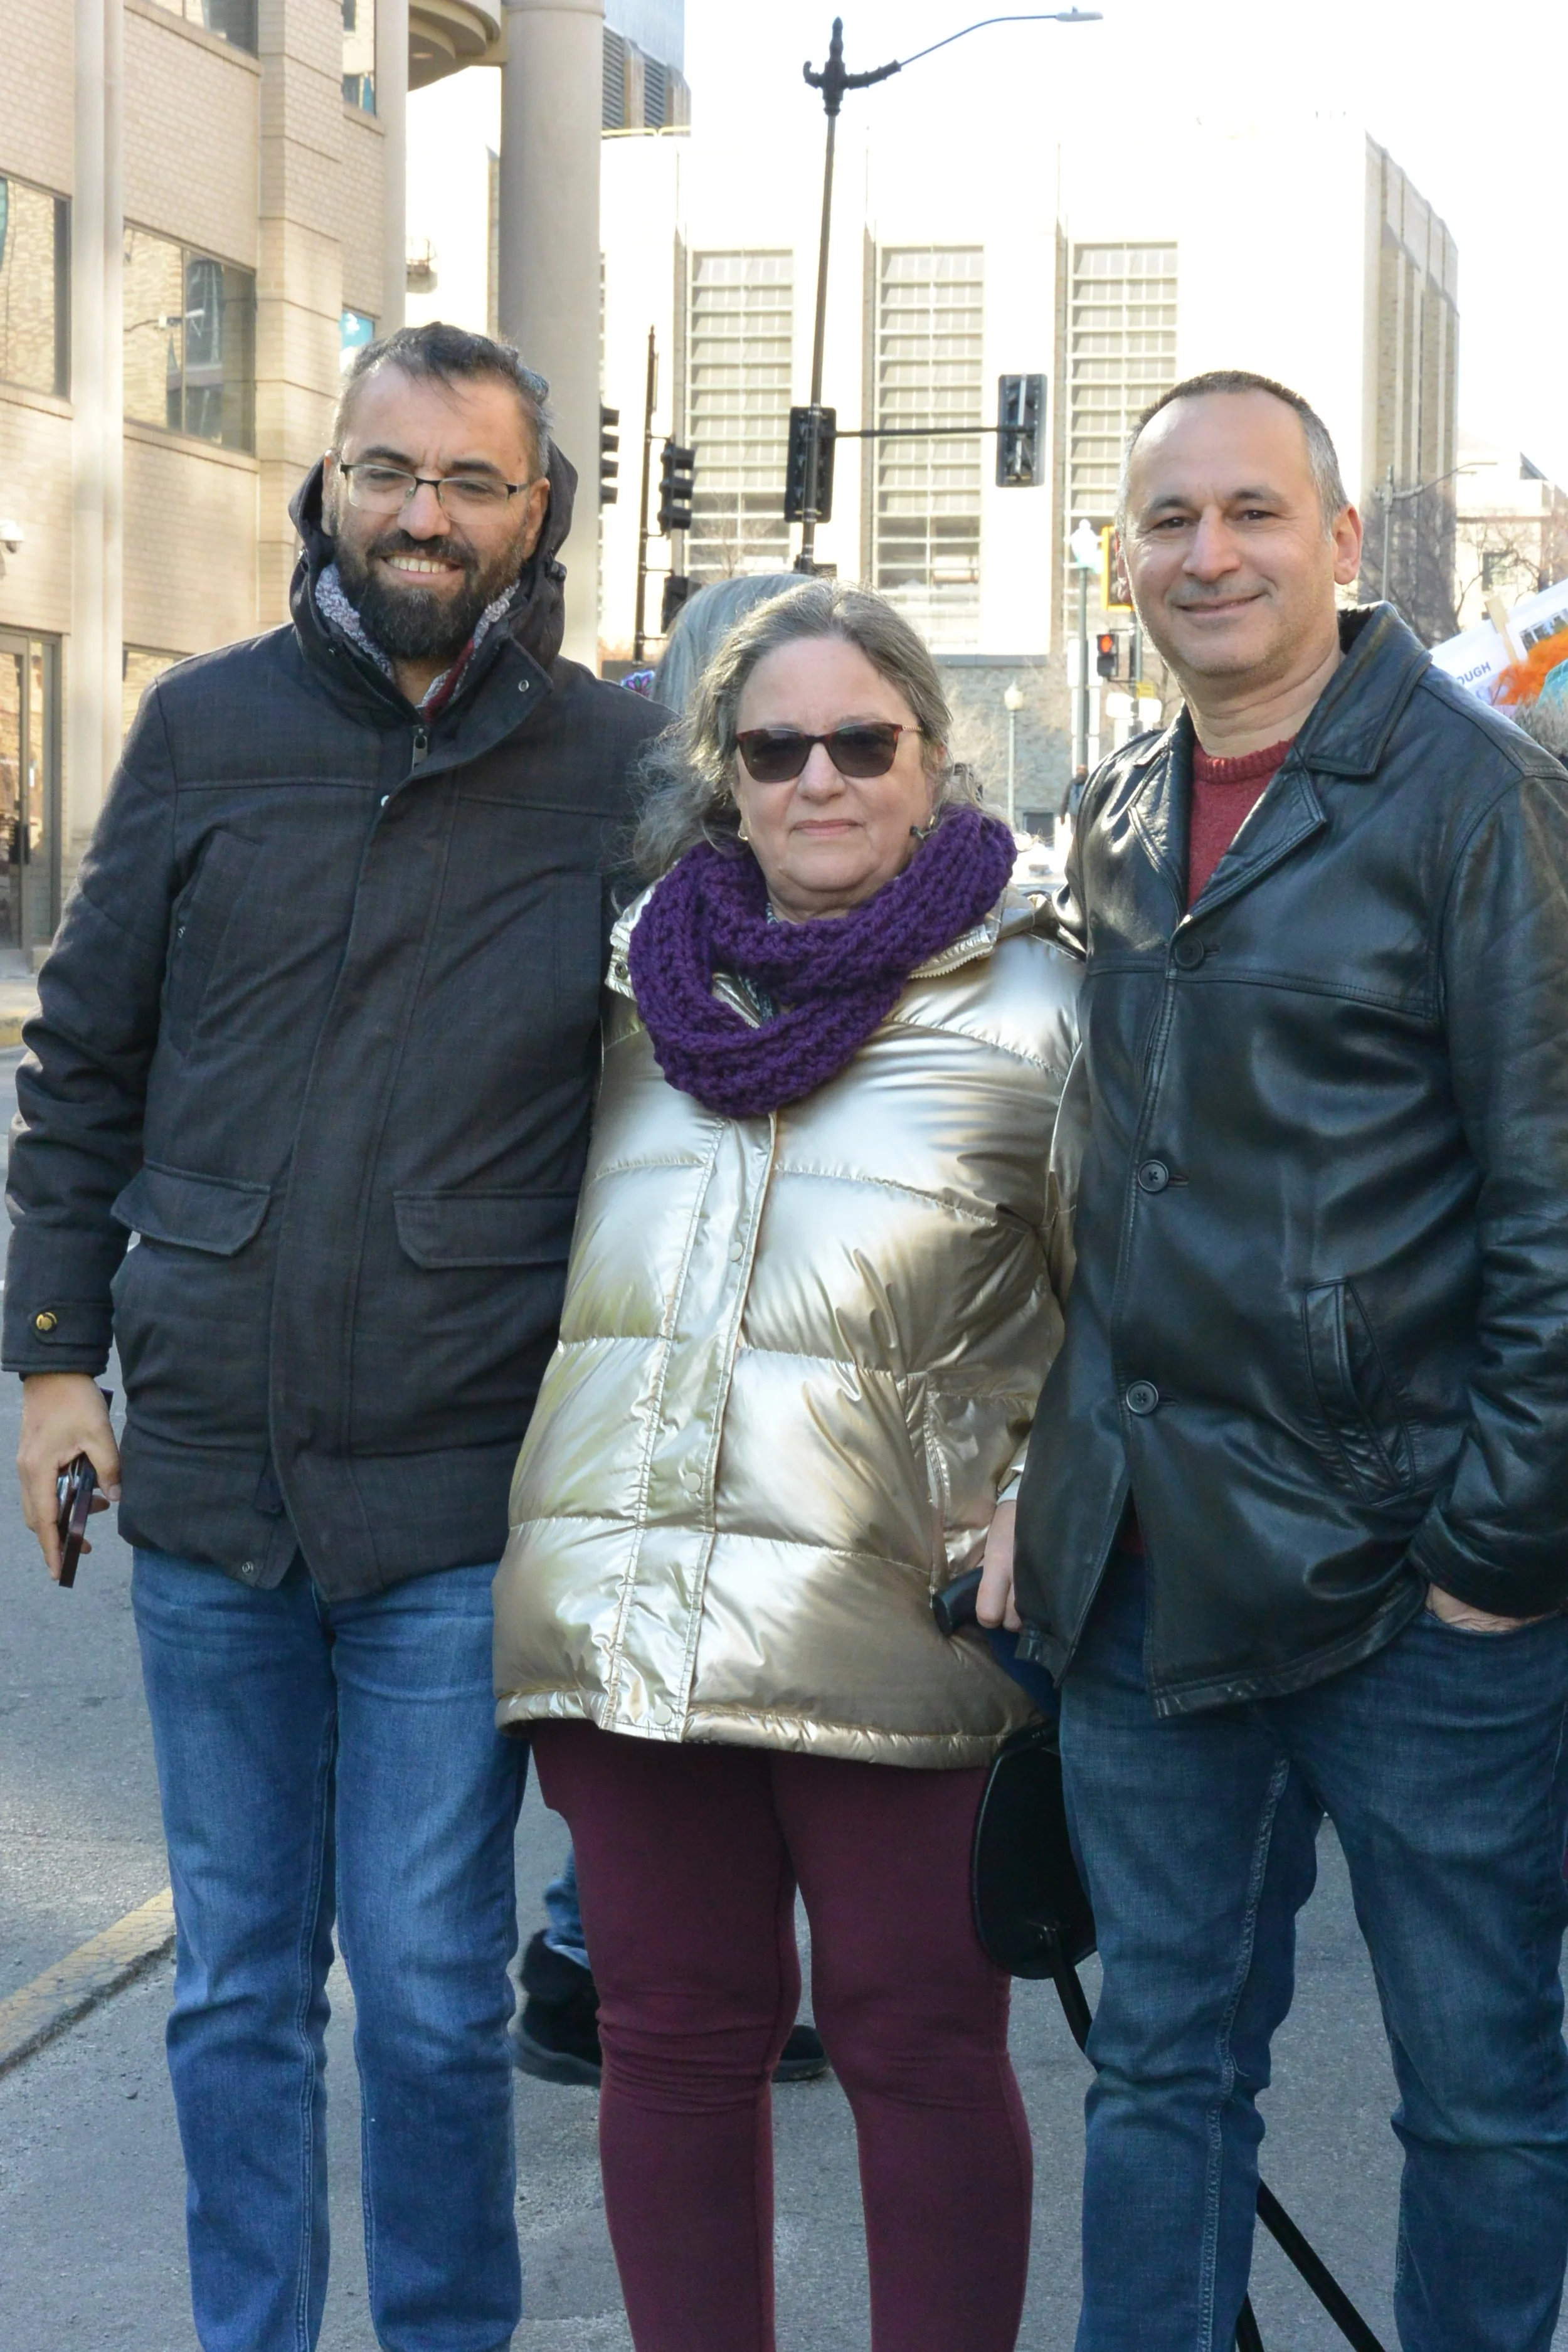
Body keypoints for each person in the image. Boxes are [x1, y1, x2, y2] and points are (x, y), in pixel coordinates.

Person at [7, 322, 666, 2352]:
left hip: (456, 1502)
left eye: (473, 482)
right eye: (391, 470)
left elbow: (724, 1031)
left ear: (535, 513)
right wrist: (51, 1365)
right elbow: (86, 1060)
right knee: (233, 1988)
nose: (425, 514)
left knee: (442, 2000)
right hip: (206, 1477)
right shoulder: (203, 734)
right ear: (328, 484)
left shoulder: (617, 766)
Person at [990, 369, 1568, 2352]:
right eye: (1166, 519)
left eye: (1250, 512)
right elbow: (1106, 1199)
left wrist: (1493, 1550)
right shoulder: (1120, 808)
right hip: (1150, 1580)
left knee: (1478, 2088)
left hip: (1421, 1589)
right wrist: (1045, 1500)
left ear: (1337, 541)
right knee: (1158, 2065)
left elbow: (1554, 1211)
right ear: (1123, 556)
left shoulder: (1477, 795)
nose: (1205, 553)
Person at [492, 579, 1079, 2352]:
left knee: (918, 2046)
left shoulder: (1045, 1002)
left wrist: (1044, 1496)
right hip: (631, 1629)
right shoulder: (628, 993)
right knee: (671, 2041)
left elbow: (1133, 1305)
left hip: (893, 1626)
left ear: (927, 760)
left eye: (857, 742)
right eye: (774, 746)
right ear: (724, 776)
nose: (817, 777)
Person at [517, 568, 827, 2094]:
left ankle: (607, 1955)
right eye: (769, 733)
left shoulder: (958, 954)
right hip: (628, 1434)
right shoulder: (628, 919)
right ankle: (584, 1958)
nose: (808, 764)